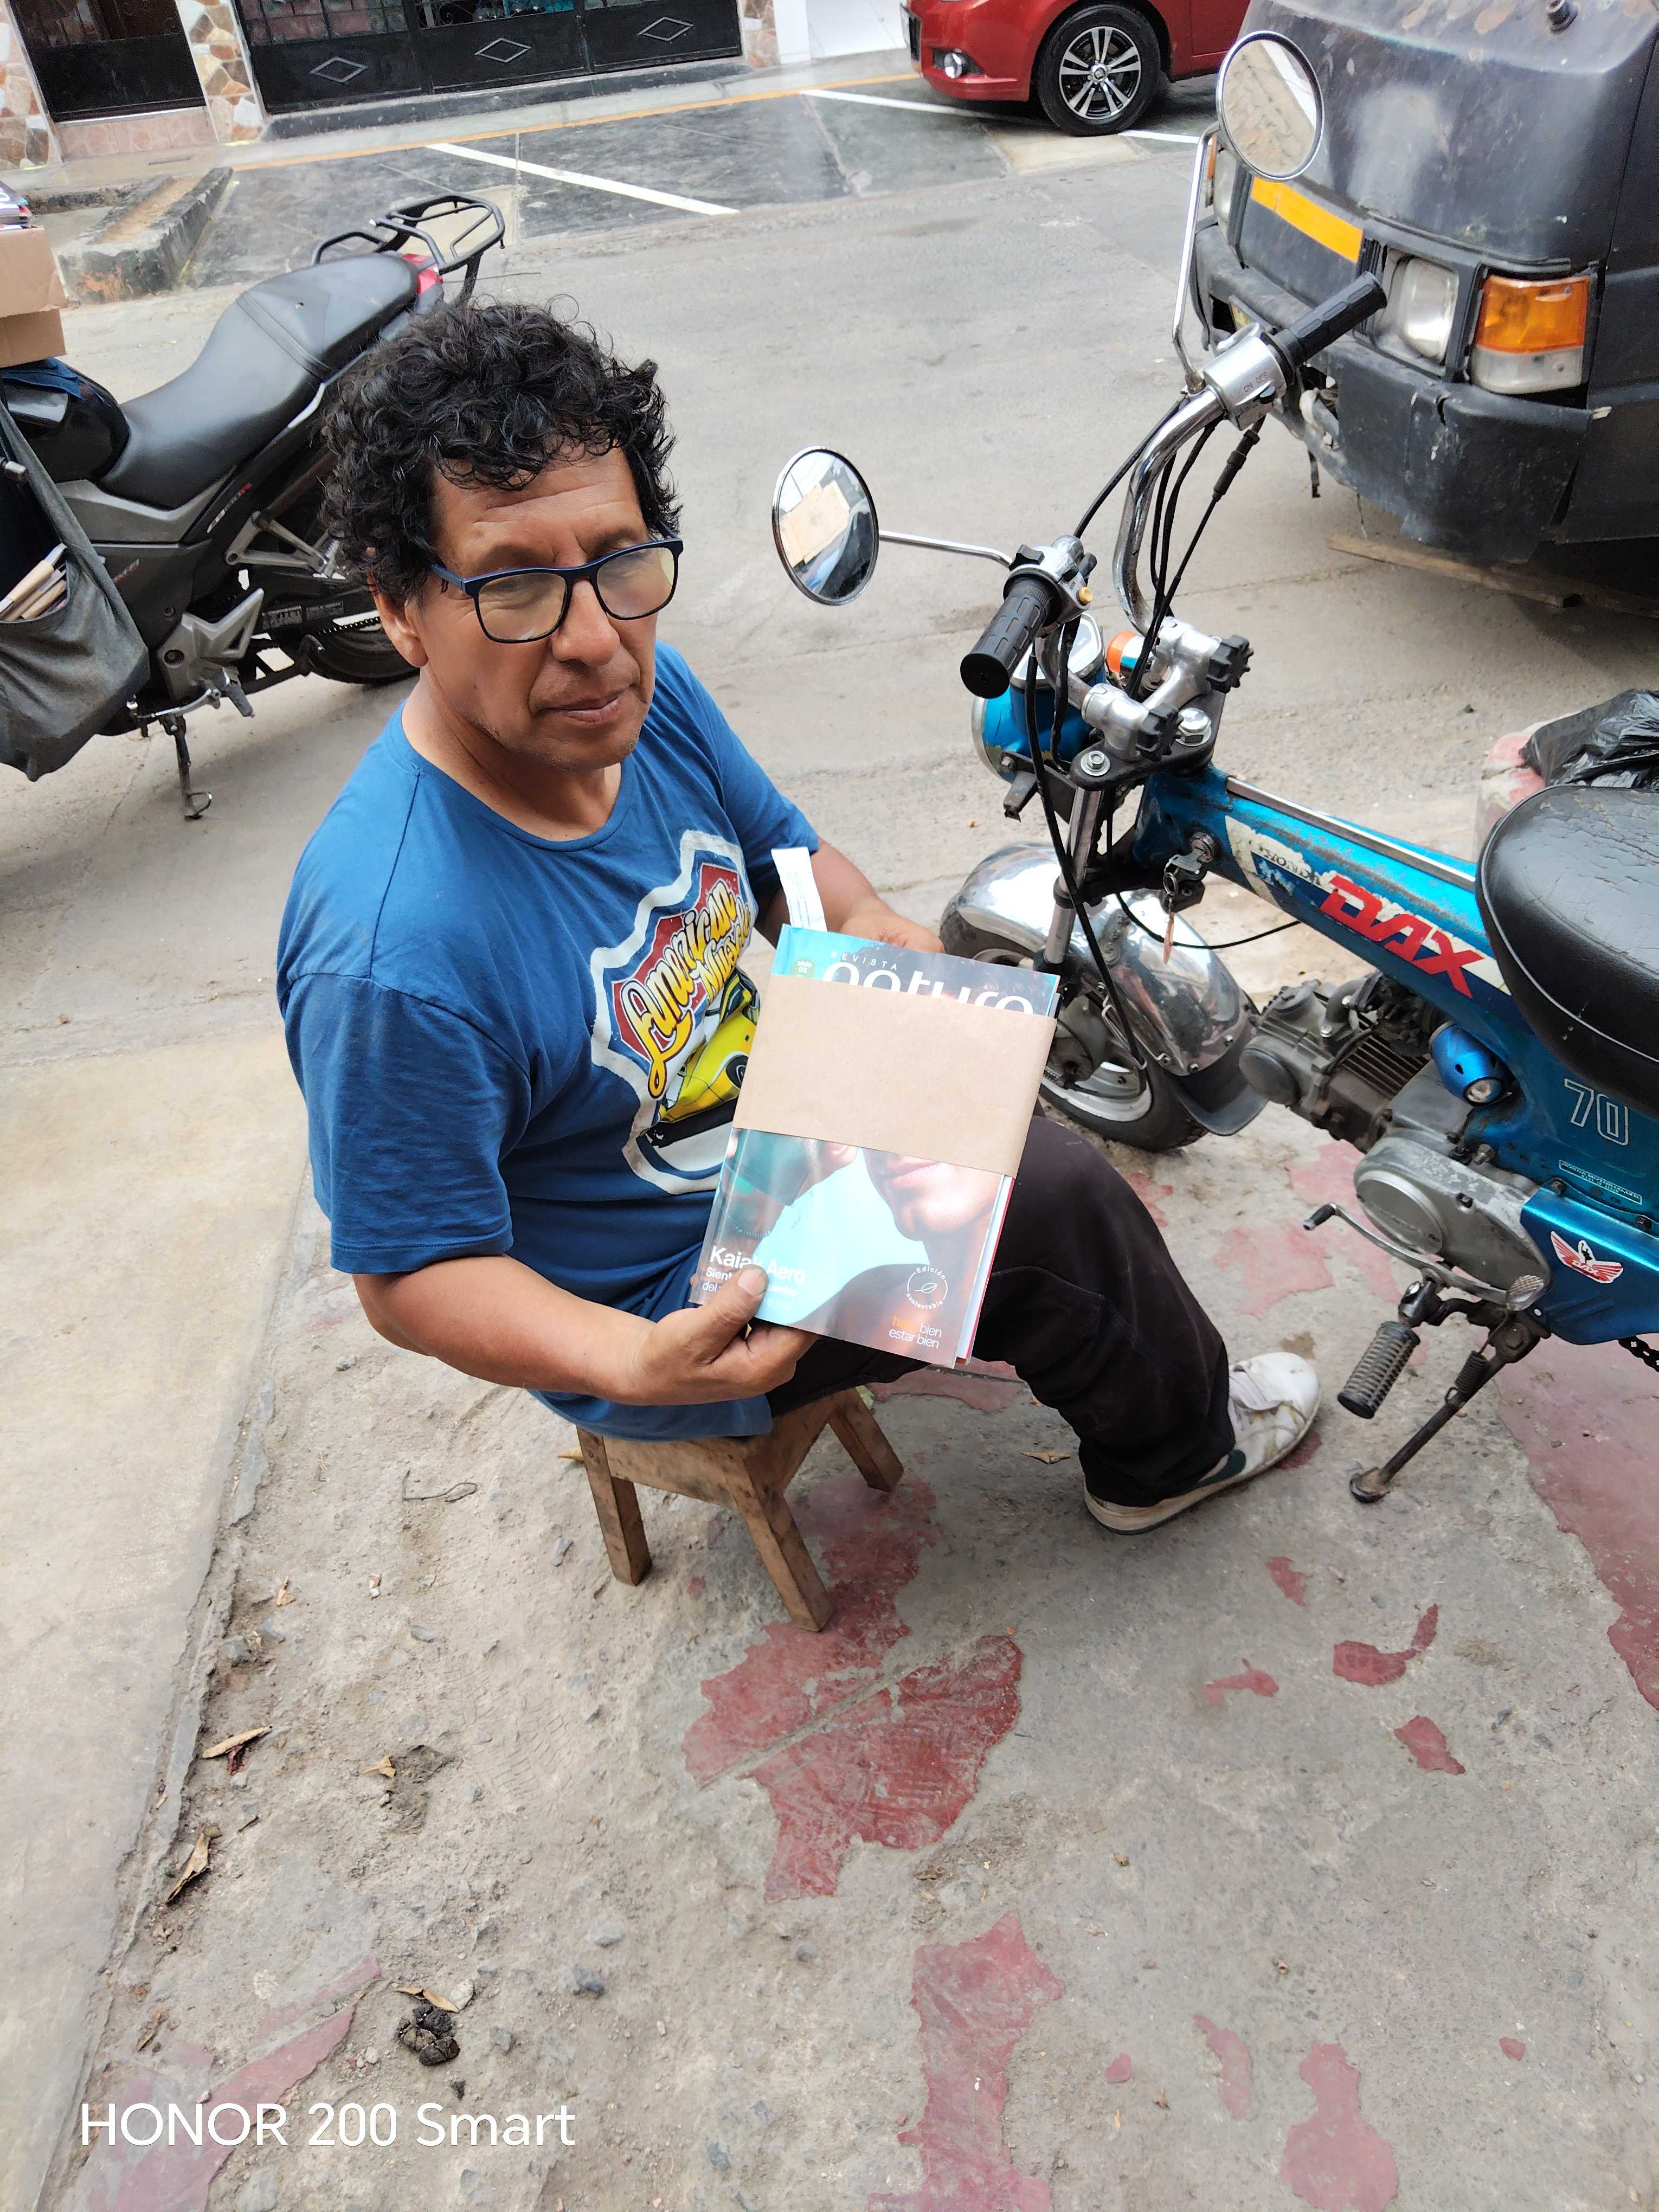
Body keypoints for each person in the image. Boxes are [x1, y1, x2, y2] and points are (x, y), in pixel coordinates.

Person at [276, 301, 1318, 1535]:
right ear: (401, 609)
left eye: (620, 562)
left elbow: (786, 866)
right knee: (1053, 1204)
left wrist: (876, 931)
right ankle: (1173, 1458)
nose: (597, 641)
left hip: (775, 1128)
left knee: (1004, 1086)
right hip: (669, 1298)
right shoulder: (394, 954)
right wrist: (633, 1361)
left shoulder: (640, 703)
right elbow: (410, 1274)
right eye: (514, 588)